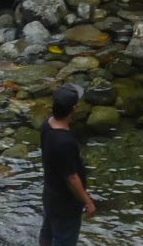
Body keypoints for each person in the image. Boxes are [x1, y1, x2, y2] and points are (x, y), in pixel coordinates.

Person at [39, 85, 97, 246]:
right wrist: (88, 201)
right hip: (65, 202)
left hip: (50, 193)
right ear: (74, 109)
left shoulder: (46, 125)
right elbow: (71, 177)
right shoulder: (65, 142)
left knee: (48, 230)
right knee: (65, 239)